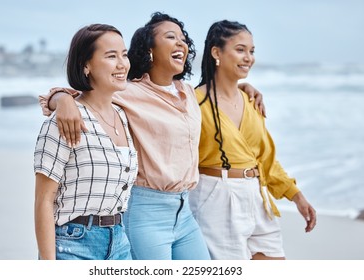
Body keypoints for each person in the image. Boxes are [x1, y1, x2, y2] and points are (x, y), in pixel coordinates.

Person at [38, 12, 264, 260]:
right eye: (171, 37)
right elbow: (86, 95)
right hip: (146, 209)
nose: (181, 43)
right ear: (150, 50)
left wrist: (242, 87)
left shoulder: (188, 92)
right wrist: (61, 99)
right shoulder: (129, 92)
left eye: (182, 38)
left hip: (184, 210)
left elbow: (217, 93)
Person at [188, 20, 317, 260]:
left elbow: (264, 158)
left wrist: (296, 195)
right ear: (216, 52)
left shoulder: (251, 101)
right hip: (215, 198)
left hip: (256, 195)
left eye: (252, 51)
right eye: (240, 50)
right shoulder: (193, 101)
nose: (248, 57)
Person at [34, 23, 138, 260]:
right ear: (86, 65)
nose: (122, 64)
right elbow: (44, 200)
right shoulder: (65, 120)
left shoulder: (121, 116)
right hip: (74, 244)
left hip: (119, 242)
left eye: (124, 54)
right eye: (111, 56)